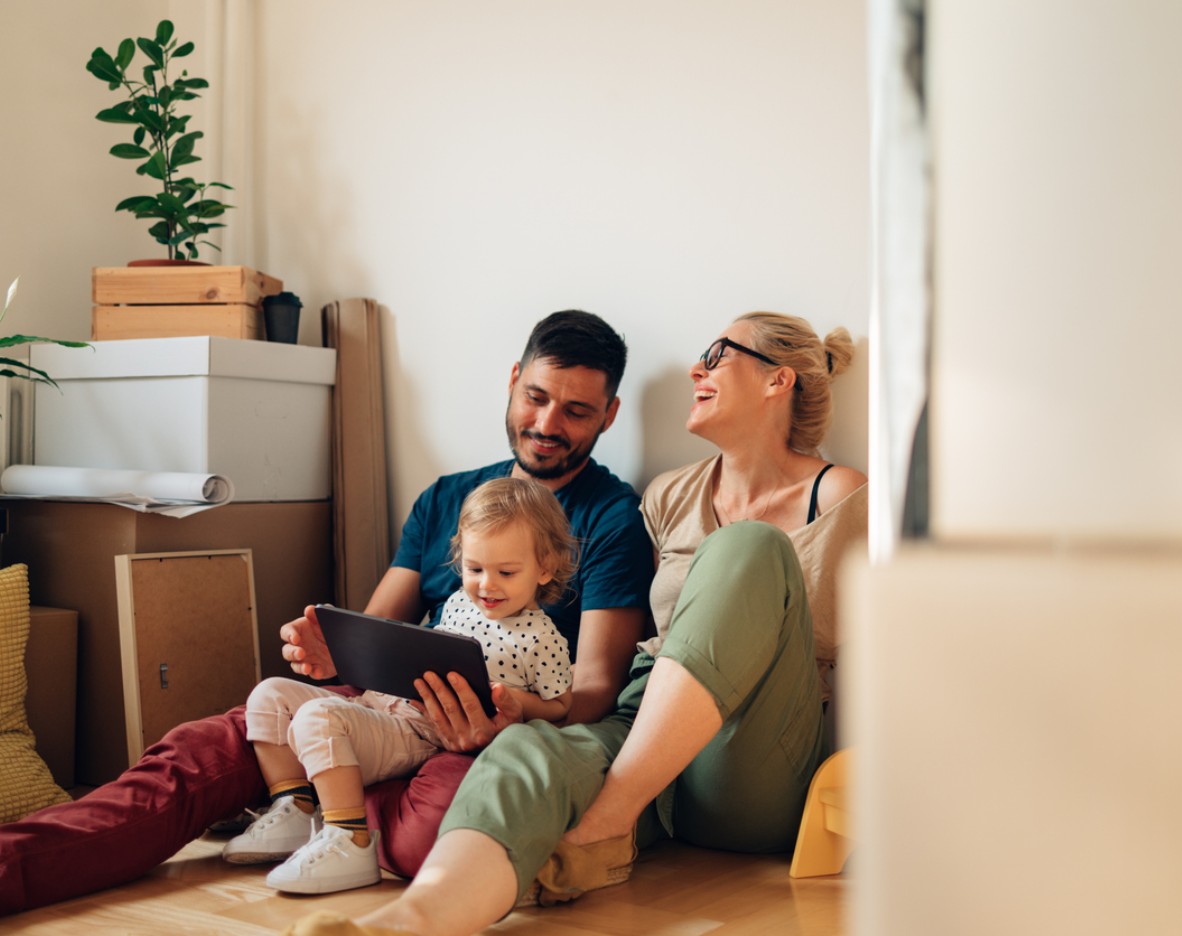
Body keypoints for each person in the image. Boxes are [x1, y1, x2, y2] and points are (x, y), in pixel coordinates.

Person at [0, 310, 654, 925]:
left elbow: (594, 690)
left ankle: (325, 817)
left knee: (425, 840)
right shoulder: (449, 497)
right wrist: (330, 652)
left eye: (577, 412)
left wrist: (514, 715)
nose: (547, 425)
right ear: (512, 380)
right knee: (195, 756)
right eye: (536, 397)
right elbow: (376, 626)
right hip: (377, 708)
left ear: (610, 414)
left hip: (481, 739)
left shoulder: (612, 518)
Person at [283, 311, 870, 936]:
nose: (697, 367)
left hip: (749, 744)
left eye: (718, 353)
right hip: (643, 719)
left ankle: (608, 820)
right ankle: (410, 920)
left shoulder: (840, 493)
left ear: (779, 381)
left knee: (748, 548)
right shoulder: (668, 495)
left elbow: (847, 640)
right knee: (524, 750)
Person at [225, 477, 577, 896]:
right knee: (268, 695)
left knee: (317, 718)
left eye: (505, 572)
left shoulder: (542, 639)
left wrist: (517, 703)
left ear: (546, 567)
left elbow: (561, 705)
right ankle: (295, 807)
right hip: (385, 698)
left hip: (422, 729)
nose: (486, 585)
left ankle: (350, 838)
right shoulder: (460, 602)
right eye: (474, 568)